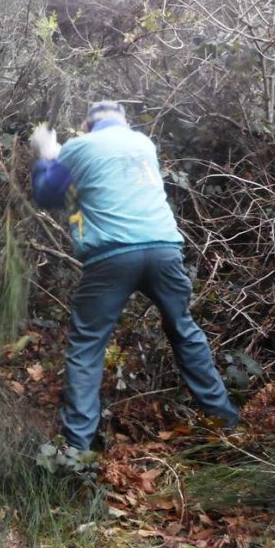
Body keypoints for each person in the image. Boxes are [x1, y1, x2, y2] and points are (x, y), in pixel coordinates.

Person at [30, 100, 239, 454]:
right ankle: (228, 426)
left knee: (87, 347)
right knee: (184, 332)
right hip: (164, 251)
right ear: (122, 122)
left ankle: (76, 451)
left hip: (111, 257)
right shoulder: (144, 144)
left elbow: (46, 194)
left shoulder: (81, 147)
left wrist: (46, 154)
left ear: (89, 124)